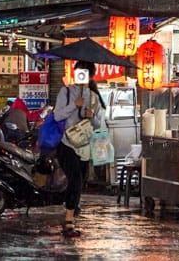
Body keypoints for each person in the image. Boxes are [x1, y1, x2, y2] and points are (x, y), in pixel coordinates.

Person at [53, 61, 106, 238]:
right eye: (79, 73)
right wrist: (74, 106)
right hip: (66, 143)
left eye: (85, 74)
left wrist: (92, 116)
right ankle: (68, 222)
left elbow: (98, 123)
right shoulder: (65, 92)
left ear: (91, 76)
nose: (82, 76)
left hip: (84, 146)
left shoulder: (94, 97)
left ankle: (69, 206)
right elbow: (57, 115)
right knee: (75, 179)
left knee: (79, 182)